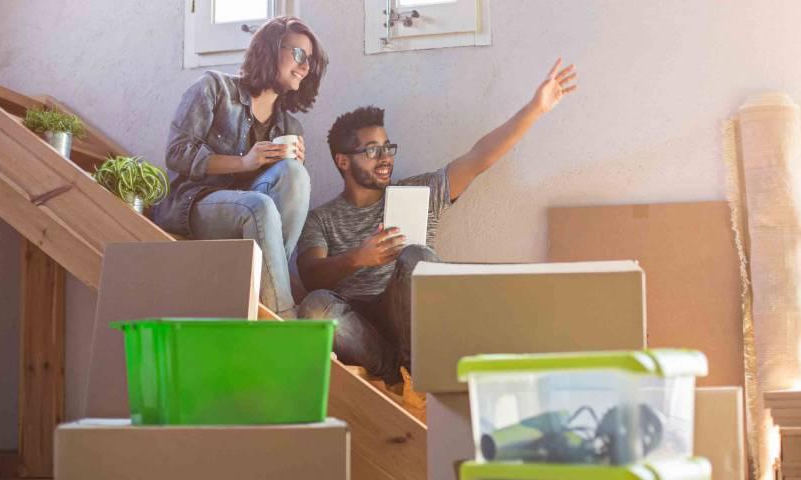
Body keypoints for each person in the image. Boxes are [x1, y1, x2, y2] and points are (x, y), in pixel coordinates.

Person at [296, 59, 577, 385]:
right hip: (358, 326)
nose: (386, 157)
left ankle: (418, 370)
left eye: (388, 147)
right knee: (314, 306)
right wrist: (359, 258)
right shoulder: (321, 218)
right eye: (373, 151)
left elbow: (478, 158)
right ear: (343, 161)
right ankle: (391, 371)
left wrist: (536, 108)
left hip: (408, 317)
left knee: (418, 256)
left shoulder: (419, 191)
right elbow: (310, 274)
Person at [153, 16, 328, 318]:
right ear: (271, 48)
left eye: (310, 61)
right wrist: (244, 162)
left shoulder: (289, 125)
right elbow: (177, 152)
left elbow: (281, 202)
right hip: (193, 204)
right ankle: (284, 316)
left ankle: (269, 294)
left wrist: (292, 168)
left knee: (295, 175)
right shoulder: (214, 88)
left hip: (251, 218)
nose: (304, 66)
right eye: (298, 54)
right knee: (257, 206)